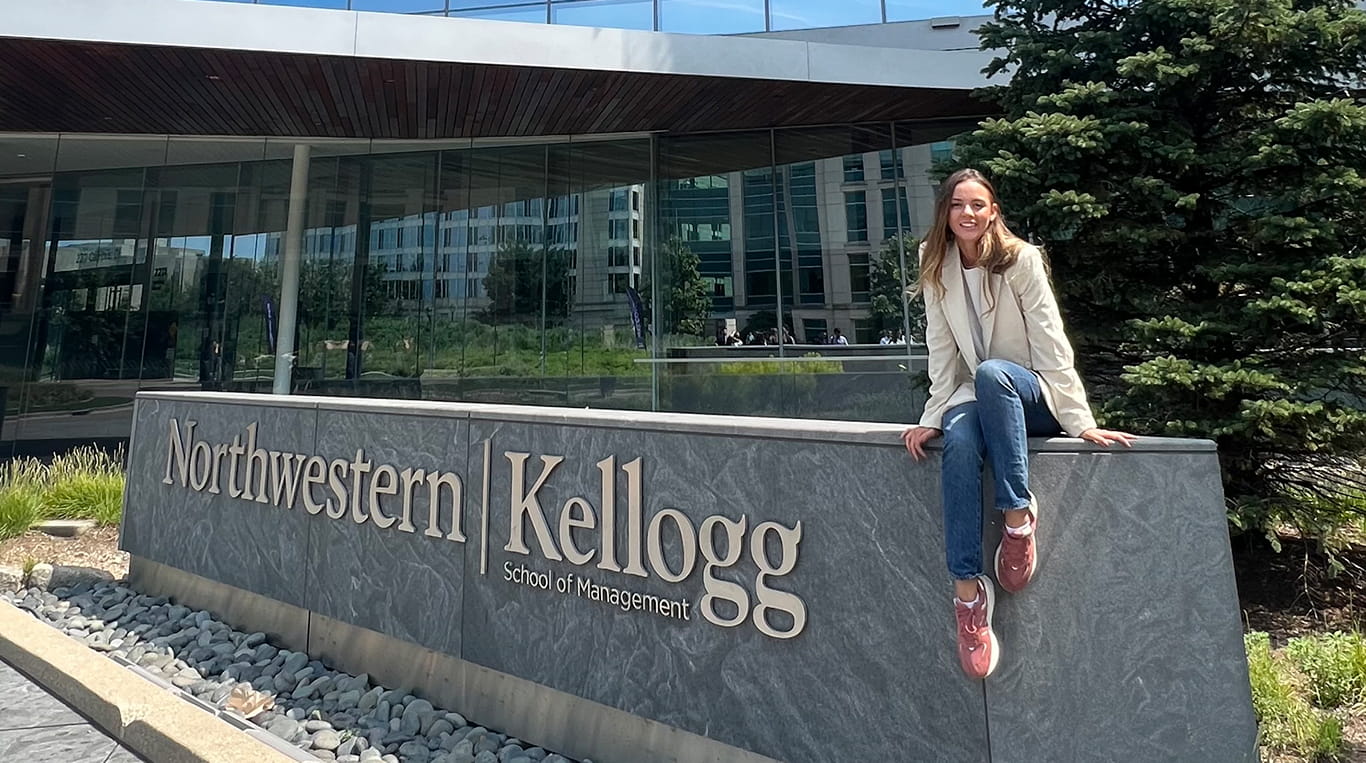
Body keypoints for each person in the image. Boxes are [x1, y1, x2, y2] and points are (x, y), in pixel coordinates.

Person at [900, 168, 1135, 680]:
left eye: (978, 205)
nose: (968, 213)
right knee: (959, 442)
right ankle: (968, 593)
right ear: (946, 212)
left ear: (993, 212)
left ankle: (1017, 517)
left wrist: (1080, 421)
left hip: (1029, 391)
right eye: (959, 204)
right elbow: (941, 350)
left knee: (992, 374)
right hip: (973, 394)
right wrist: (932, 417)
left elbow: (1052, 342)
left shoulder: (1021, 261)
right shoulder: (934, 262)